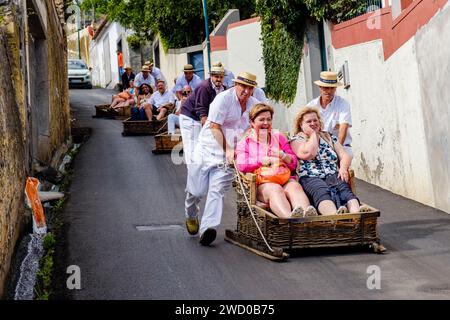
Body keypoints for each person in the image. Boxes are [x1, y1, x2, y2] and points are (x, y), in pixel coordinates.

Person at [185, 71, 260, 246]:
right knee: (195, 191)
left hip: (230, 156)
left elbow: (257, 127)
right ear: (236, 85)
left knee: (216, 191)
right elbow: (214, 126)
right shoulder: (223, 99)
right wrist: (227, 149)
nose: (246, 91)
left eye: (250, 87)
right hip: (207, 150)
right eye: (243, 86)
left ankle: (208, 228)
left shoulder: (254, 104)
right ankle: (191, 213)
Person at [235, 103, 317, 218]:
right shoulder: (245, 143)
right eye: (261, 119)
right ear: (252, 122)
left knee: (295, 187)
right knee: (275, 189)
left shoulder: (279, 137)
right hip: (263, 183)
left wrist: (283, 155)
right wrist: (263, 160)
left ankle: (305, 216)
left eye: (268, 119)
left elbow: (293, 164)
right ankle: (290, 219)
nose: (266, 123)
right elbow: (241, 165)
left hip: (283, 177)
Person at [290, 107, 368, 215]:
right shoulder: (296, 140)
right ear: (301, 124)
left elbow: (345, 155)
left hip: (332, 174)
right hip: (310, 177)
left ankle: (357, 215)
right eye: (309, 121)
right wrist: (313, 135)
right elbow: (308, 153)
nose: (313, 123)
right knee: (321, 191)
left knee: (345, 190)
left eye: (315, 120)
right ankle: (334, 216)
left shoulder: (328, 137)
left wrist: (343, 168)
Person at [307, 71, 353, 157]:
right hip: (318, 148)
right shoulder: (311, 106)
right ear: (320, 87)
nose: (329, 91)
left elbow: (343, 127)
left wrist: (336, 151)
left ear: (335, 88)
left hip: (341, 146)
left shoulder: (343, 104)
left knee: (345, 159)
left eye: (332, 88)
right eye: (326, 87)